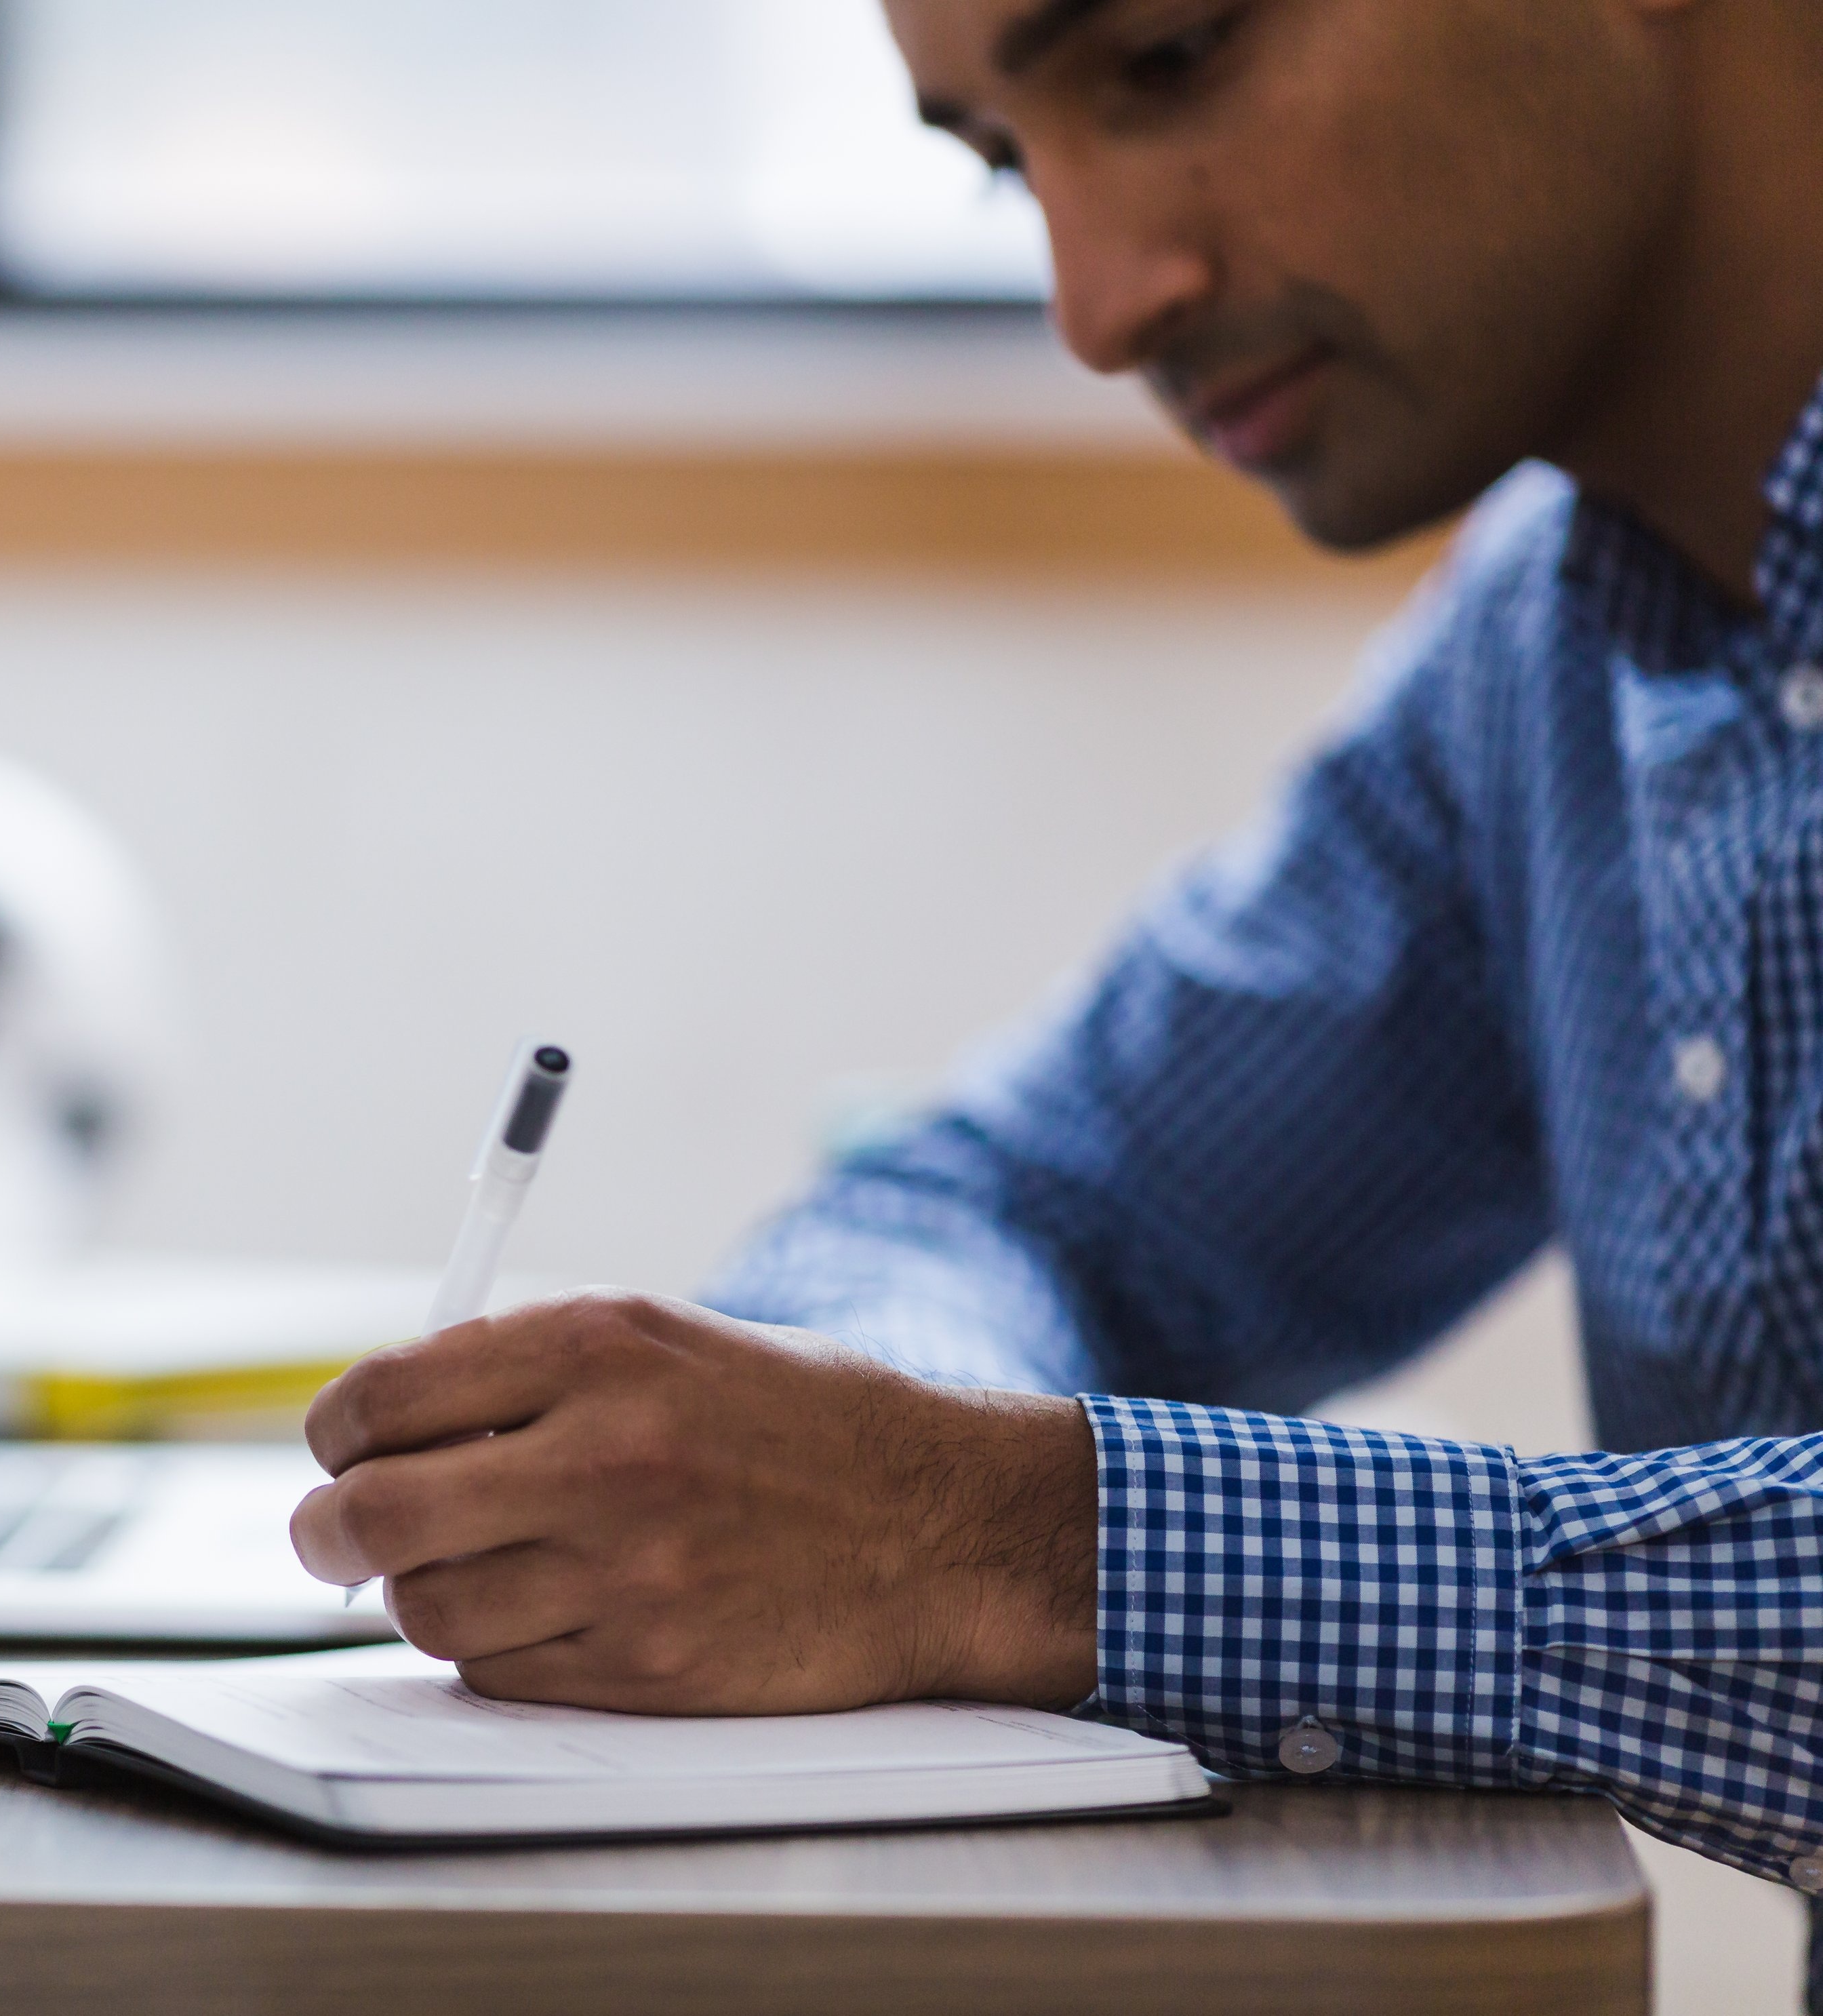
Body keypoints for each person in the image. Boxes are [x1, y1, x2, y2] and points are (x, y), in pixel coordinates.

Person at [287, 0, 1823, 1974]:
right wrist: (830, 1467)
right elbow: (1032, 1199)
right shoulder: (1555, 649)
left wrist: (1007, 1536)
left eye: (1168, 59)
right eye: (1006, 161)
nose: (1095, 307)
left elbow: (990, 1502)